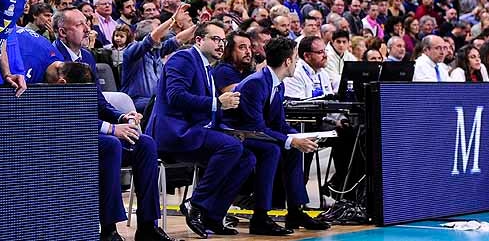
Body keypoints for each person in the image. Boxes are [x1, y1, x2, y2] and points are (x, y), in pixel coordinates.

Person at [43, 47, 174, 241]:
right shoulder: (51, 70)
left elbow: (100, 103)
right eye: (79, 24)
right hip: (71, 139)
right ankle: (109, 230)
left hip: (97, 135)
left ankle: (148, 226)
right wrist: (111, 129)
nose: (86, 29)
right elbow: (66, 115)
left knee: (144, 143)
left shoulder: (86, 58)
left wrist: (122, 117)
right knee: (111, 144)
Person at [147, 21, 255, 238]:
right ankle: (195, 204)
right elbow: (176, 96)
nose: (221, 45)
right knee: (231, 148)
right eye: (215, 39)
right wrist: (217, 102)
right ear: (199, 40)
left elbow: (209, 109)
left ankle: (213, 216)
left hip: (196, 131)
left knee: (248, 157)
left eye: (223, 41)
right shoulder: (184, 58)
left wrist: (230, 128)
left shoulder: (207, 66)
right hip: (174, 133)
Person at [229, 37, 331, 234]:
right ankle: (260, 216)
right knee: (273, 149)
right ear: (287, 62)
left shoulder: (278, 83)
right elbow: (256, 127)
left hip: (255, 132)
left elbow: (279, 124)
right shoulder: (256, 83)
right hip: (239, 134)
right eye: (295, 58)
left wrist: (302, 137)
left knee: (293, 148)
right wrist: (291, 140)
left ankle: (295, 211)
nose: (297, 63)